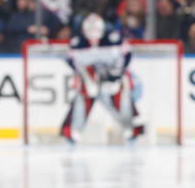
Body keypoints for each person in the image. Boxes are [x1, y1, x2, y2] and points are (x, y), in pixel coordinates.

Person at [60, 13, 145, 143]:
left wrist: (117, 72)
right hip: (90, 80)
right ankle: (72, 133)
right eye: (90, 30)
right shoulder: (78, 43)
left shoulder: (113, 39)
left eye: (96, 29)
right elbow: (70, 60)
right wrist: (87, 74)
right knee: (83, 97)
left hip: (112, 79)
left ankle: (133, 132)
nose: (93, 33)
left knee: (122, 100)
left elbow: (127, 54)